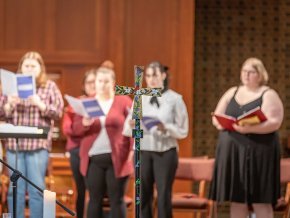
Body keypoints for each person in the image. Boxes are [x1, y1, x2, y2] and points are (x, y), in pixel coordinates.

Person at [209, 57, 284, 218]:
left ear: (260, 74)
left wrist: (250, 128)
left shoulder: (268, 94)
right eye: (244, 71)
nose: (246, 75)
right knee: (237, 198)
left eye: (251, 72)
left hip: (259, 152)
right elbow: (216, 115)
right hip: (234, 152)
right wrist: (222, 123)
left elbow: (275, 122)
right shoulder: (232, 92)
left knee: (260, 199)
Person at [1, 51, 64, 218]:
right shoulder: (10, 87)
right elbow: (1, 112)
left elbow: (58, 112)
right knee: (16, 190)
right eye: (26, 65)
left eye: (33, 66)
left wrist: (41, 104)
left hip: (38, 146)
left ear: (40, 68)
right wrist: (8, 105)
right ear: (21, 67)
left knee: (36, 189)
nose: (29, 68)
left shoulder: (49, 86)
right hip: (14, 146)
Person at [124, 61, 189, 218]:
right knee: (143, 195)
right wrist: (134, 124)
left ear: (163, 76)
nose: (151, 79)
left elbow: (183, 130)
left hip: (165, 152)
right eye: (148, 75)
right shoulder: (139, 98)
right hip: (143, 151)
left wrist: (165, 127)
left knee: (163, 195)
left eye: (155, 75)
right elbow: (127, 129)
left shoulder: (175, 99)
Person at [71, 67, 133, 218]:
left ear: (113, 83)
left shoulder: (123, 101)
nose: (102, 85)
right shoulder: (87, 102)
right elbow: (75, 129)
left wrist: (132, 151)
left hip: (118, 158)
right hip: (93, 159)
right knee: (94, 199)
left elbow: (134, 129)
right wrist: (85, 123)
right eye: (99, 81)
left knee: (117, 199)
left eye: (106, 81)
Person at [62, 68, 96, 218]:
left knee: (94, 188)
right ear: (83, 85)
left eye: (95, 82)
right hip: (77, 150)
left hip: (97, 151)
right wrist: (82, 125)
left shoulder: (106, 103)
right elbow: (66, 129)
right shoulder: (76, 104)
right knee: (81, 189)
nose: (92, 85)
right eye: (89, 82)